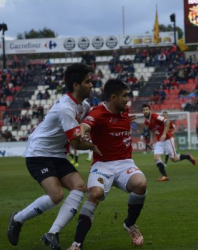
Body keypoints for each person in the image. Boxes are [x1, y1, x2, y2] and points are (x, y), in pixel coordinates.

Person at [7, 63, 102, 250]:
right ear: (76, 85)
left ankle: (52, 233)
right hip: (38, 153)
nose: (91, 85)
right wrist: (94, 146)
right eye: (87, 81)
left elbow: (92, 123)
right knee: (56, 195)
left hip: (57, 154)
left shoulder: (83, 106)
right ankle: (17, 219)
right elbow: (75, 143)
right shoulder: (66, 108)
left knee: (79, 187)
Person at [67, 79, 147, 250]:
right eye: (125, 96)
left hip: (125, 163)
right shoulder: (97, 113)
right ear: (113, 97)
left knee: (141, 184)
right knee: (94, 194)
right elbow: (84, 125)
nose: (128, 100)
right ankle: (77, 244)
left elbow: (119, 120)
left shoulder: (123, 111)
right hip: (102, 164)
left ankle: (129, 224)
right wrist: (81, 133)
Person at [142, 104, 196, 182]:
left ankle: (188, 156)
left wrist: (164, 134)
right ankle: (164, 176)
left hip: (168, 139)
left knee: (174, 159)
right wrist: (151, 140)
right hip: (159, 141)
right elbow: (152, 131)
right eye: (144, 110)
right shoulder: (146, 122)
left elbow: (167, 122)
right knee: (156, 157)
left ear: (149, 110)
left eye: (147, 109)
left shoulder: (155, 116)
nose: (145, 111)